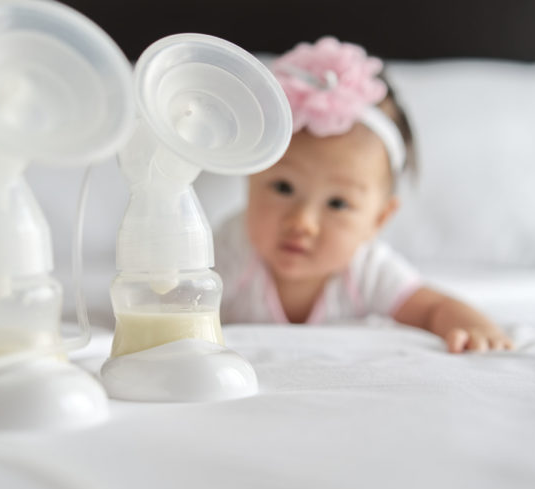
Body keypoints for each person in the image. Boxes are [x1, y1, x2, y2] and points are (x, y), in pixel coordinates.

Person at [214, 37, 514, 353]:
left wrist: (475, 329)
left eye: (338, 203)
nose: (302, 222)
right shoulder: (230, 250)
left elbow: (432, 308)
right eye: (283, 188)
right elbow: (173, 300)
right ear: (251, 178)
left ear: (378, 219)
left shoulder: (366, 270)